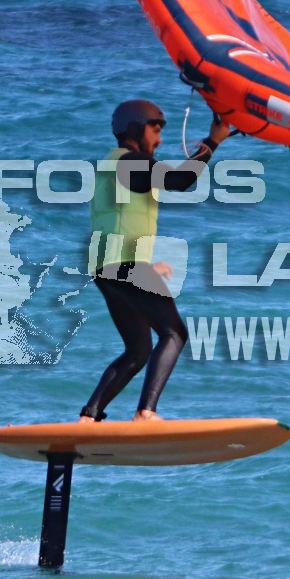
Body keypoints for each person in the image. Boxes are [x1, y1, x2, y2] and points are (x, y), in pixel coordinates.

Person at [79, 98, 231, 423]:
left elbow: (118, 221)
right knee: (174, 334)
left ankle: (89, 417)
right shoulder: (129, 163)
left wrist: (144, 265)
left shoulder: (112, 163)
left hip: (106, 269)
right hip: (125, 266)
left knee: (138, 351)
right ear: (136, 128)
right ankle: (146, 412)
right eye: (155, 130)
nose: (159, 139)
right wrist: (212, 141)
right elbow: (180, 181)